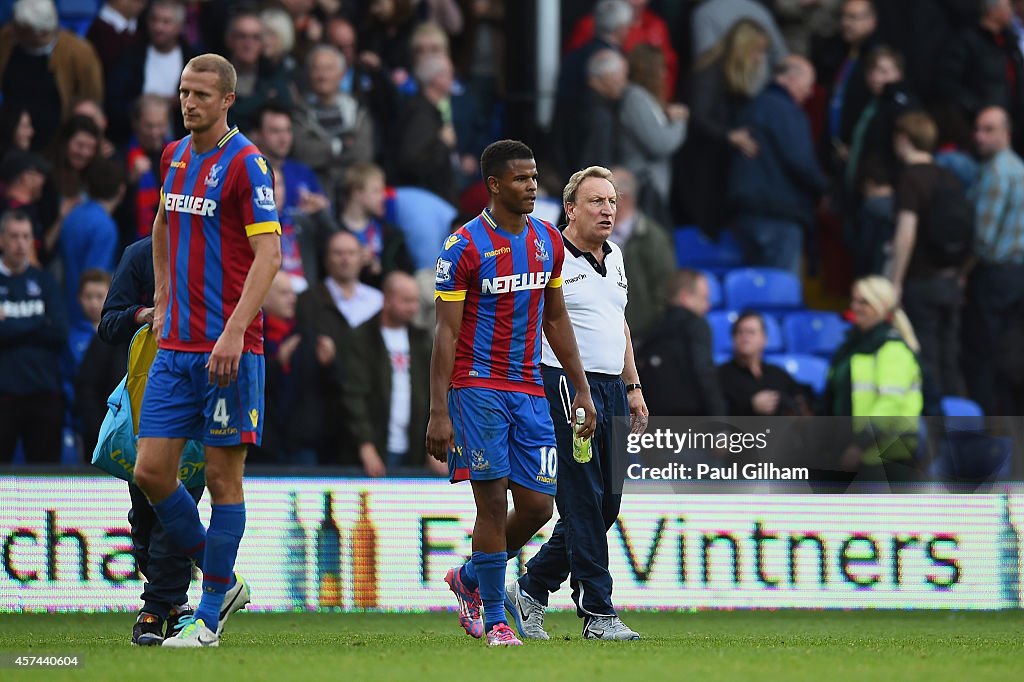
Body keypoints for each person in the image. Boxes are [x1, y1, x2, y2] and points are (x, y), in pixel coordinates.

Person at [131, 53, 282, 648]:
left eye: (200, 94)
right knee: (151, 470)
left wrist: (232, 332)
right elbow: (163, 226)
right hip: (175, 346)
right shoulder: (173, 156)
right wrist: (164, 297)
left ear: (227, 101)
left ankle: (210, 616)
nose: (188, 102)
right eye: (183, 91)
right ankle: (220, 576)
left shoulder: (248, 164)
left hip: (230, 351)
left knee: (223, 478)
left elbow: (269, 257)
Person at [428, 140, 597, 646]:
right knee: (491, 502)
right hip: (477, 387)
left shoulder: (548, 240)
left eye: (535, 176)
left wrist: (581, 387)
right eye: (522, 179)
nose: (532, 186)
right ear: (495, 184)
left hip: (529, 388)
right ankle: (498, 619)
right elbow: (446, 334)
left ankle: (470, 576)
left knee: (538, 506)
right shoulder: (463, 248)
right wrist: (438, 410)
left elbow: (556, 317)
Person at [505, 165, 647, 642]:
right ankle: (598, 613)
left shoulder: (618, 257)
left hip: (611, 389)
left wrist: (634, 386)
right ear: (570, 208)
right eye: (596, 201)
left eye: (612, 200)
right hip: (567, 385)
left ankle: (530, 589)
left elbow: (619, 325)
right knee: (583, 500)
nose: (608, 209)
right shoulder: (550, 254)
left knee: (606, 504)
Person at [887, 110, 966, 402]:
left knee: (926, 358)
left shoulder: (909, 178)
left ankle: (934, 438)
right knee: (951, 360)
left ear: (904, 139)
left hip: (920, 281)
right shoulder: (949, 177)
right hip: (951, 280)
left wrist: (894, 281)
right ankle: (960, 432)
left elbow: (906, 234)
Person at [729, 55, 828, 276]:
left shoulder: (753, 105)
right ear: (791, 79)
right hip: (779, 214)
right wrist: (824, 189)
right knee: (778, 292)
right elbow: (800, 160)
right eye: (808, 84)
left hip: (746, 214)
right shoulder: (785, 110)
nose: (810, 92)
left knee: (755, 287)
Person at [821, 276, 923, 482]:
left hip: (884, 458)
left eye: (863, 302)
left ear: (881, 306)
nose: (855, 307)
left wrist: (860, 445)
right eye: (854, 300)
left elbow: (890, 404)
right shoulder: (851, 347)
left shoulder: (892, 348)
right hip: (851, 450)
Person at [343, 271, 439, 477]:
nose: (413, 308)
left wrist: (432, 446)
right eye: (406, 301)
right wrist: (365, 445)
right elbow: (354, 396)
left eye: (415, 301)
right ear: (386, 299)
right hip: (375, 448)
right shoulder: (360, 339)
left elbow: (433, 394)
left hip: (414, 448)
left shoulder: (421, 341)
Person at [963, 105, 1024, 415]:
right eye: (977, 129)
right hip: (1016, 274)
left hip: (995, 275)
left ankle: (986, 427)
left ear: (1006, 133)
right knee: (1009, 355)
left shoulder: (998, 171)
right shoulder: (1018, 167)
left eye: (988, 129)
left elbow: (984, 239)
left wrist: (962, 271)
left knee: (984, 355)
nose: (979, 136)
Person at [0, 209, 67, 462]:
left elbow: (60, 332)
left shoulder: (45, 281)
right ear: (2, 239)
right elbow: (47, 329)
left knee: (46, 478)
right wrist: (39, 322)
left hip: (44, 395)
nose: (20, 243)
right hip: (3, 396)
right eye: (14, 236)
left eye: (26, 236)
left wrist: (10, 326)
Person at [636, 269, 727, 416]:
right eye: (704, 298)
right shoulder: (696, 325)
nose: (708, 305)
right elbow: (703, 372)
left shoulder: (650, 330)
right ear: (685, 297)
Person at [605, 166, 676, 343]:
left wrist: (644, 331)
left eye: (605, 197)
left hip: (640, 338)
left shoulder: (654, 239)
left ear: (623, 198)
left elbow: (664, 289)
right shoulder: (589, 233)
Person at [718, 311, 811, 416]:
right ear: (733, 338)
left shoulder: (777, 373)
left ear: (764, 339)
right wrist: (750, 406)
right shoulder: (720, 375)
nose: (744, 337)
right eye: (739, 332)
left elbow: (801, 396)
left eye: (751, 332)